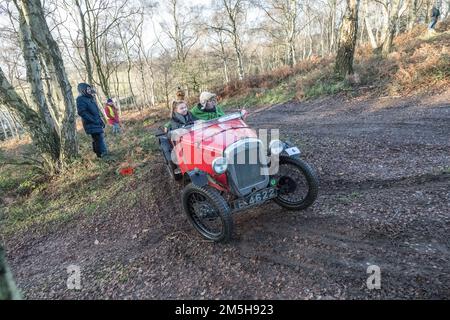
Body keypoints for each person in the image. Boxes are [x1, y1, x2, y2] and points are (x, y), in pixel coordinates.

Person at [76, 83, 108, 158]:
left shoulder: (90, 98)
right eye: (87, 89)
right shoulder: (80, 99)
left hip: (96, 122)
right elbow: (82, 112)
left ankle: (100, 153)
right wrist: (93, 120)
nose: (89, 90)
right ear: (82, 90)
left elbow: (96, 112)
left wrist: (101, 121)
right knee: (98, 138)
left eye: (89, 89)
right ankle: (102, 154)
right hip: (90, 123)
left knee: (98, 138)